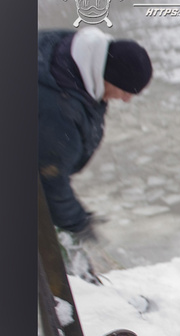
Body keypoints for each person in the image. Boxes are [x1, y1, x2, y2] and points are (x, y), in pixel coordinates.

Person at [38, 26, 153, 240]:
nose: (126, 99)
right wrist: (78, 225)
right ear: (108, 77)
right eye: (126, 91)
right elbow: (50, 179)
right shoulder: (60, 113)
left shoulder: (72, 50)